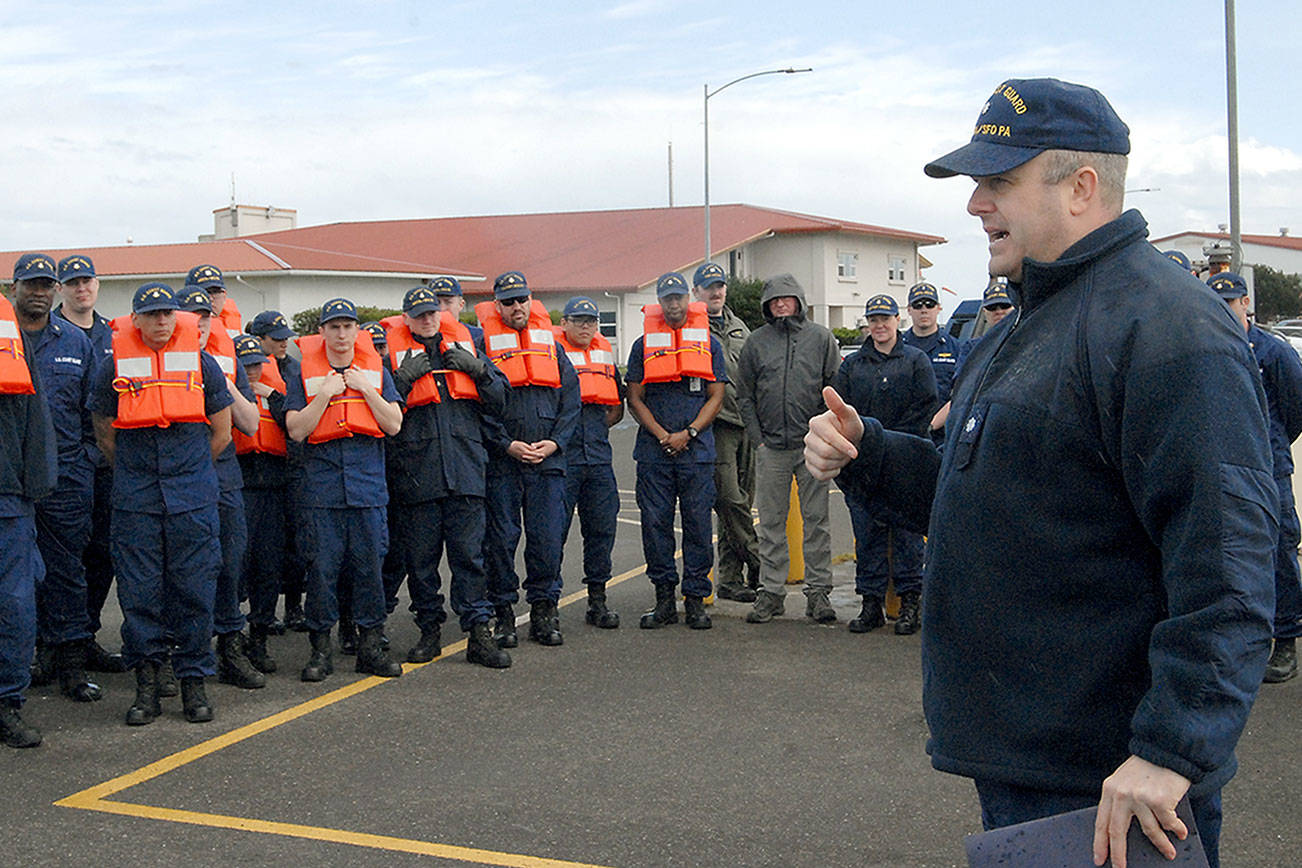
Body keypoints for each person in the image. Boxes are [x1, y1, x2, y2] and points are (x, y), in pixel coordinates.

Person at [804, 78, 1275, 868]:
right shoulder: (1021, 322)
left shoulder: (1166, 328)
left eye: (999, 182)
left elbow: (1231, 565)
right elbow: (993, 498)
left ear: (1082, 189)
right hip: (1032, 761)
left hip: (1116, 782)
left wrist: (1171, 750)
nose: (975, 205)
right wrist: (871, 453)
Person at [89, 282, 233, 726]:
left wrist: (187, 473)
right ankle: (147, 684)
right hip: (136, 499)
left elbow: (222, 432)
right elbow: (103, 430)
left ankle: (194, 682)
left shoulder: (202, 363)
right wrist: (138, 474)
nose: (161, 321)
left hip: (192, 499)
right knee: (139, 595)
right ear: (135, 320)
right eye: (151, 314)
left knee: (194, 592)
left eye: (168, 314)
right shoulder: (112, 364)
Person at [380, 286, 511, 668]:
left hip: (466, 470)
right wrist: (401, 381)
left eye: (432, 313)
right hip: (417, 474)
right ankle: (429, 630)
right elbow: (381, 416)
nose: (426, 320)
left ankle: (478, 633)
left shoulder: (468, 348)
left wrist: (480, 370)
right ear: (405, 318)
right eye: (418, 314)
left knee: (470, 558)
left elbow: (501, 401)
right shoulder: (390, 360)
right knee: (422, 562)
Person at [284, 298, 404, 682]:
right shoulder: (301, 372)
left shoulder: (376, 370)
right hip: (322, 492)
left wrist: (364, 390)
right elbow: (297, 429)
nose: (340, 333)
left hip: (367, 489)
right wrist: (325, 394)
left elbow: (394, 424)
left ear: (357, 330)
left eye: (347, 326)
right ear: (322, 331)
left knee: (370, 569)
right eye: (333, 326)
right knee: (322, 571)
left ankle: (371, 645)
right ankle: (321, 650)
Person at [12, 253, 101, 702]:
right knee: (16, 576)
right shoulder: (3, 338)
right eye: (33, 284)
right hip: (11, 478)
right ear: (15, 288)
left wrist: (85, 458)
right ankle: (22, 661)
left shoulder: (75, 341)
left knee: (67, 572)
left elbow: (93, 412)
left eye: (47, 285)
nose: (41, 292)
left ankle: (68, 663)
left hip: (67, 473)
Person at [476, 271, 580, 648]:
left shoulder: (552, 346)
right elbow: (478, 406)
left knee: (547, 539)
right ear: (497, 304)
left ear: (530, 300)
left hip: (548, 462)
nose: (516, 307)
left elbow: (571, 402)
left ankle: (544, 609)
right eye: (508, 301)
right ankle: (503, 611)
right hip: (504, 462)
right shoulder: (483, 346)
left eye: (521, 299)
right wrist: (506, 444)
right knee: (500, 540)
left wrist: (555, 443)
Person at [1211, 272, 1302, 683]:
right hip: (1229, 470)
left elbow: (1296, 405)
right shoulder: (1210, 348)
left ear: (1245, 303)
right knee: (1234, 557)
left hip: (1270, 469)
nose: (1225, 310)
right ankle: (1243, 644)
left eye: (1230, 301)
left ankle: (1285, 640)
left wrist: (1274, 446)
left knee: (1280, 552)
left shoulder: (1273, 352)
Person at [625, 272, 727, 630]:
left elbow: (717, 395)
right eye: (667, 298)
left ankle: (696, 599)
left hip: (697, 452)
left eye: (679, 297)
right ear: (659, 300)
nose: (673, 304)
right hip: (655, 453)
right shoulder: (642, 345)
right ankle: (664, 598)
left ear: (689, 299)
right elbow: (634, 398)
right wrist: (662, 435)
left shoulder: (709, 344)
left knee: (699, 525)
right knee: (655, 526)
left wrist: (690, 432)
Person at [736, 273, 840, 625]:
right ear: (767, 305)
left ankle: (818, 592)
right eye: (774, 299)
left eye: (787, 298)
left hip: (812, 445)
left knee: (817, 521)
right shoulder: (755, 343)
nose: (781, 304)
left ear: (799, 301)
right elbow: (744, 395)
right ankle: (772, 592)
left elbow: (834, 389)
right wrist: (758, 438)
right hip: (771, 448)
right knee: (771, 523)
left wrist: (826, 434)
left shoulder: (822, 339)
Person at [832, 294, 936, 635]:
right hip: (863, 464)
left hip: (905, 463)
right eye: (873, 320)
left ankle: (909, 604)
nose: (879, 325)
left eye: (885, 318)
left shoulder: (916, 360)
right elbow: (842, 411)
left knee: (907, 536)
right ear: (867, 324)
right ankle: (870, 604)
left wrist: (893, 445)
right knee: (867, 535)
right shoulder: (852, 366)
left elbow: (925, 407)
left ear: (896, 320)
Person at [177, 286, 264, 690]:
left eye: (205, 317)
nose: (198, 324)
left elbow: (249, 423)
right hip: (174, 480)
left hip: (223, 477)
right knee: (175, 571)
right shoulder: (151, 364)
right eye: (190, 315)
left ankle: (230, 646)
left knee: (229, 563)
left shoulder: (223, 364)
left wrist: (220, 380)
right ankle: (170, 657)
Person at [53, 254, 123, 674]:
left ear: (98, 285)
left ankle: (86, 635)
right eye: (73, 282)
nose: (82, 289)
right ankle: (55, 643)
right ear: (62, 288)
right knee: (63, 559)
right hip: (66, 464)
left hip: (109, 462)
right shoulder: (50, 334)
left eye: (88, 282)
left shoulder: (114, 335)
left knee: (103, 553)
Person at [0, 255, 57, 747]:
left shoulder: (10, 334)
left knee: (14, 606)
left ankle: (7, 703)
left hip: (8, 498)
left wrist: (34, 488)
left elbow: (35, 416)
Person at [554, 296, 624, 629]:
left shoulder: (604, 354)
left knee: (601, 530)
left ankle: (598, 600)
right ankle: (547, 605)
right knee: (553, 533)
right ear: (563, 323)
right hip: (562, 460)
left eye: (591, 320)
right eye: (578, 320)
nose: (585, 326)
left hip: (597, 457)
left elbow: (616, 406)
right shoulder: (550, 354)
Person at [693, 262, 759, 602]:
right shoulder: (691, 329)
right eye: (708, 287)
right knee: (730, 501)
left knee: (744, 502)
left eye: (719, 286)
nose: (716, 292)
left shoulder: (739, 326)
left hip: (747, 423)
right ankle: (762, 565)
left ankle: (731, 580)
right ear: (697, 293)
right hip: (716, 425)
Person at [246, 309, 308, 634]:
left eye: (286, 338)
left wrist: (273, 396)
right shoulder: (241, 371)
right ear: (259, 340)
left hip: (292, 466)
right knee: (257, 551)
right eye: (276, 339)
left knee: (295, 544)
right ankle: (258, 616)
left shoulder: (296, 370)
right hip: (255, 472)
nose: (283, 343)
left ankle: (294, 606)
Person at [232, 333, 289, 674]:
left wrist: (274, 397)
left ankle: (260, 636)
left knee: (268, 567)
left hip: (273, 485)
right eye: (246, 365)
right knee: (235, 566)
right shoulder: (226, 390)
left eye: (257, 364)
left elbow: (293, 428)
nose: (252, 371)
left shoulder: (277, 390)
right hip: (239, 484)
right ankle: (232, 637)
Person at [900, 282, 964, 446]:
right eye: (917, 305)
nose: (924, 309)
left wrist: (933, 424)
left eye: (929, 304)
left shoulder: (956, 348)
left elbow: (962, 393)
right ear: (909, 309)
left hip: (943, 437)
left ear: (938, 308)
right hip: (904, 434)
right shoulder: (897, 347)